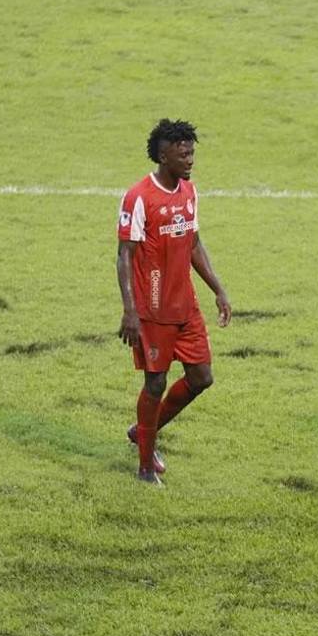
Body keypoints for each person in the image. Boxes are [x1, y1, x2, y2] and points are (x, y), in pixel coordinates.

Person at [116, 118, 232, 485]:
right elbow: (124, 255)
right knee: (155, 383)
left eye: (192, 152)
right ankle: (145, 466)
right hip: (152, 308)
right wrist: (130, 311)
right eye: (183, 153)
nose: (190, 159)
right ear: (164, 155)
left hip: (186, 306)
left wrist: (218, 288)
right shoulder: (138, 197)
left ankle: (143, 433)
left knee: (202, 377)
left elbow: (194, 243)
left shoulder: (189, 192)